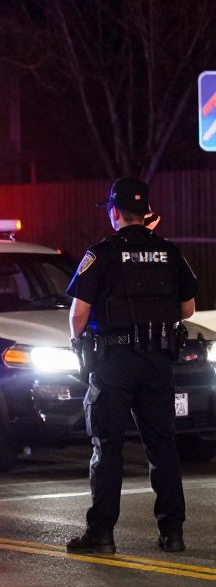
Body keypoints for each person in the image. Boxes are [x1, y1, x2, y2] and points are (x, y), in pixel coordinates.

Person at [65, 177, 197, 555]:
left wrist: (79, 345)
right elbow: (187, 308)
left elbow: (79, 313)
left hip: (114, 363)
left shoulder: (101, 254)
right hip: (157, 360)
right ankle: (172, 533)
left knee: (107, 446)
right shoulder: (169, 252)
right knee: (162, 447)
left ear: (115, 213)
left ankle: (102, 534)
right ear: (147, 213)